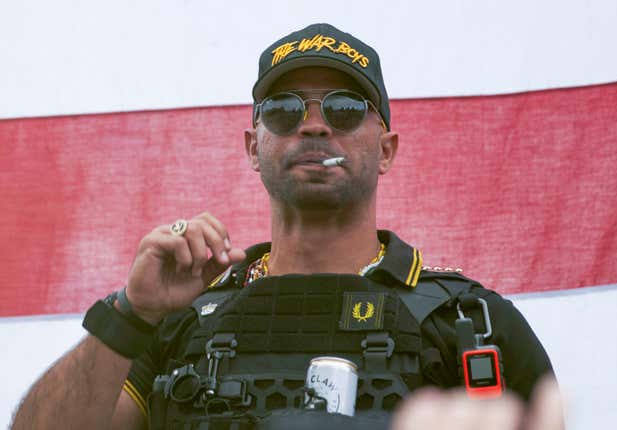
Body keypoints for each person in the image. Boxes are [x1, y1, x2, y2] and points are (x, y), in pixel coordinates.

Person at [11, 23, 555, 429]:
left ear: (386, 150)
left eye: (344, 109)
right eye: (283, 110)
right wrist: (133, 314)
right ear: (254, 146)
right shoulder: (177, 323)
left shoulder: (472, 324)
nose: (313, 124)